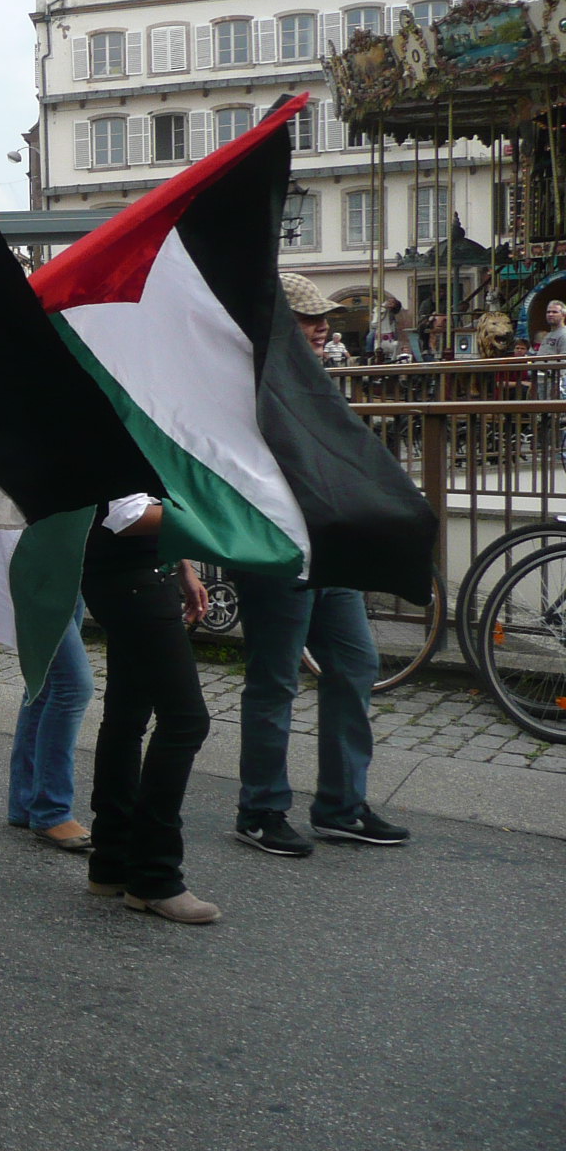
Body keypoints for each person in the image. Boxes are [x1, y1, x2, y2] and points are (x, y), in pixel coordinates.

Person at [229, 274, 412, 857]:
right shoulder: (252, 381)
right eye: (309, 318)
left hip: (326, 549)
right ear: (280, 323)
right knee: (275, 680)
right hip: (279, 549)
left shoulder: (307, 378)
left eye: (322, 318)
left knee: (355, 664)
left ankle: (340, 805)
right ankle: (260, 810)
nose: (323, 326)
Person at [81, 494, 217, 924]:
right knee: (185, 720)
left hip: (133, 576)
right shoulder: (129, 427)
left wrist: (184, 568)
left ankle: (112, 862)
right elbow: (128, 514)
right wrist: (217, 510)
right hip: (129, 580)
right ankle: (154, 877)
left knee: (126, 717)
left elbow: (152, 500)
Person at [7, 597, 95, 852]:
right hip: (38, 572)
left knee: (45, 681)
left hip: (69, 576)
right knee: (73, 686)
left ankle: (26, 802)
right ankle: (51, 811)